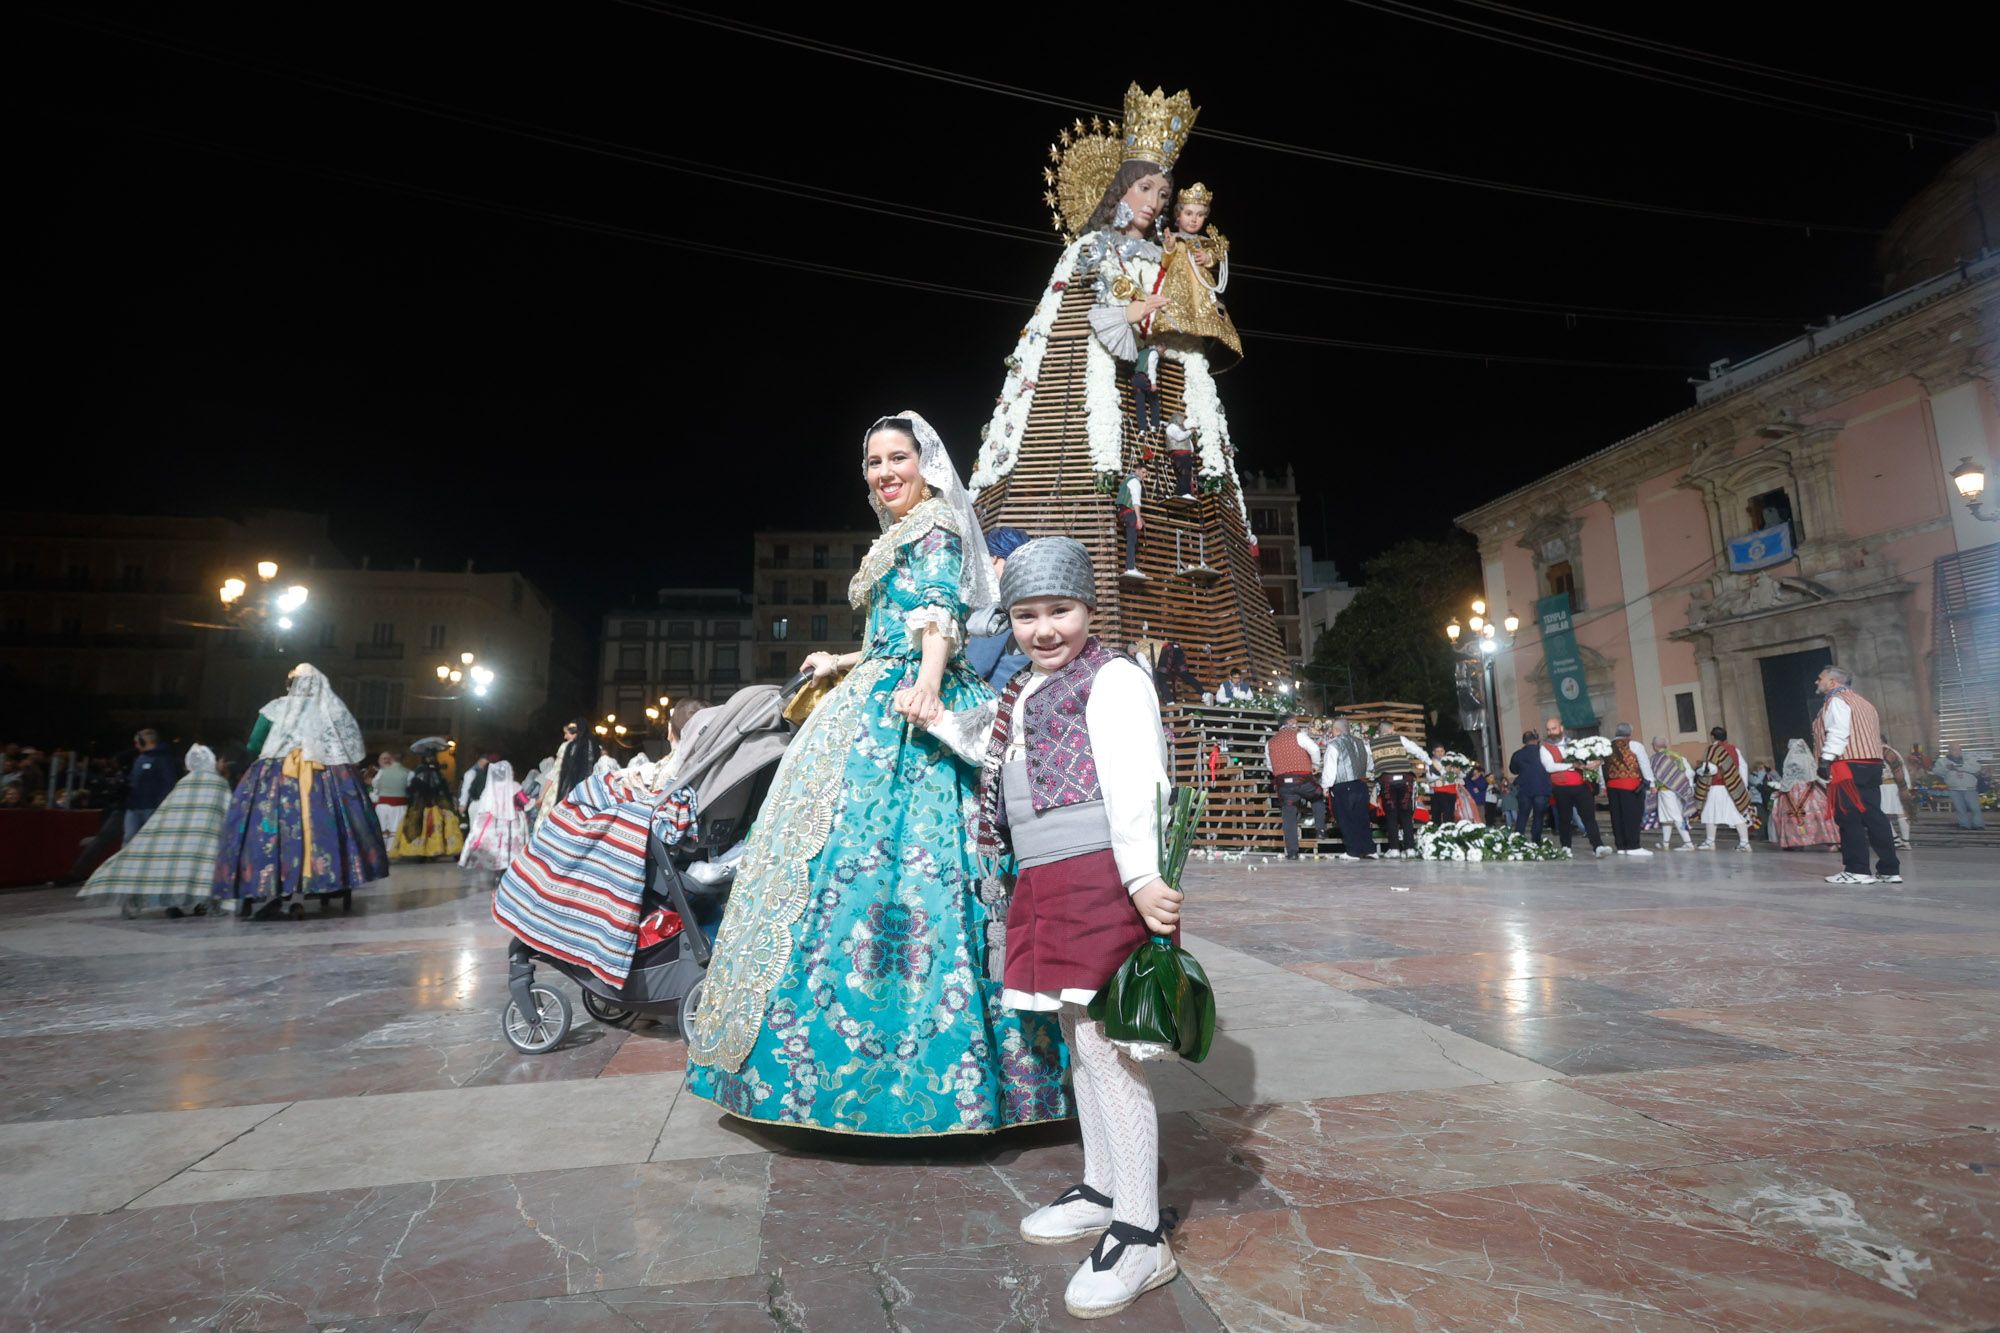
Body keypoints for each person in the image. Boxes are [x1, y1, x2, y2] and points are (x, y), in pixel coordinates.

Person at [684, 411, 1067, 1135]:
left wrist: (926, 685)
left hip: (909, 706)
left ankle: (927, 1078)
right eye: (874, 462)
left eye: (898, 457)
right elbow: (897, 630)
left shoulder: (936, 525)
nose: (886, 472)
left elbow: (937, 617)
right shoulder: (900, 531)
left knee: (915, 868)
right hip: (876, 689)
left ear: (926, 463)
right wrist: (842, 659)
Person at [924, 537, 1180, 1317]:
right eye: (1026, 615)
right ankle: (1103, 1188)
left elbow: (1139, 778)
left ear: (1089, 609)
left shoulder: (1113, 677)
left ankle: (1140, 1232)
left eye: (1060, 611)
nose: (1043, 629)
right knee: (1078, 1037)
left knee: (1109, 1048)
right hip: (1045, 877)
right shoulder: (1025, 690)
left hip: (1101, 874)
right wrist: (936, 716)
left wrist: (1142, 876)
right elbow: (993, 747)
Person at [213, 664, 389, 919]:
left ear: (290, 685)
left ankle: (268, 889)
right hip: (324, 775)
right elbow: (347, 744)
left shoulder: (275, 708)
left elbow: (254, 743)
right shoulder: (330, 709)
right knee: (319, 832)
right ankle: (302, 895)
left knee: (267, 830)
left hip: (276, 774)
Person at [77, 744, 230, 917]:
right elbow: (227, 810)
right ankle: (204, 904)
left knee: (170, 868)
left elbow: (167, 809)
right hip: (204, 838)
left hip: (175, 838)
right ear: (211, 761)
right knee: (202, 869)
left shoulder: (184, 783)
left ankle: (165, 903)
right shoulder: (218, 783)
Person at [1814, 666, 1902, 885]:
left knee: (1848, 817)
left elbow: (1838, 731)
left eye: (1820, 678)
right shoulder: (1865, 703)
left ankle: (1857, 869)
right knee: (1874, 816)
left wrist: (1826, 759)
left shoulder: (1836, 701)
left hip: (1847, 765)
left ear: (1833, 682)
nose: (1817, 682)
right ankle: (1889, 869)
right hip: (1871, 764)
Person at [964, 526, 1033, 687]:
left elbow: (977, 666)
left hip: (997, 693)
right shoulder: (1029, 596)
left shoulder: (1001, 600)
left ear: (993, 558)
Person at [1539, 717, 1609, 857]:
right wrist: (1572, 765)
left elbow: (1589, 760)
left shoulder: (1575, 744)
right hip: (1560, 788)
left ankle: (1598, 846)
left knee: (1589, 817)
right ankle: (1566, 846)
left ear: (1561, 728)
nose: (1551, 732)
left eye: (1554, 728)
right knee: (1565, 818)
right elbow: (1549, 767)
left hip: (1581, 786)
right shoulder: (1544, 748)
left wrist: (1596, 763)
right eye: (1548, 729)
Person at [1265, 713, 1321, 860]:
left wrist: (1280, 772)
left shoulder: (1270, 742)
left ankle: (1292, 852)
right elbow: (1315, 749)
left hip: (1283, 783)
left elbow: (1270, 765)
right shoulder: (1299, 735)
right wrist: (1315, 765)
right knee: (1318, 796)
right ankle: (1320, 829)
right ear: (1289, 723)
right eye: (1295, 722)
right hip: (1302, 779)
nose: (1297, 725)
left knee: (1288, 815)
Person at [392, 750, 464, 861]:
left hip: (434, 804)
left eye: (432, 757)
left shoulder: (434, 772)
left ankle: (431, 851)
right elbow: (413, 789)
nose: (431, 759)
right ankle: (423, 852)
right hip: (423, 804)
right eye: (429, 757)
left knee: (433, 826)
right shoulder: (422, 772)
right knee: (421, 825)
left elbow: (440, 788)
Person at [1370, 721, 1427, 858]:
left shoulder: (1372, 744)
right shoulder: (1399, 739)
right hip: (1405, 780)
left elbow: (1370, 765)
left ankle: (1394, 848)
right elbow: (1417, 751)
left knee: (1391, 814)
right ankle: (1410, 848)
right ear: (1391, 729)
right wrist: (1429, 762)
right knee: (1406, 814)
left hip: (1387, 781)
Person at [1320, 718, 1375, 859]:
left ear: (1336, 730)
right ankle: (1369, 849)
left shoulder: (1334, 745)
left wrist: (1325, 786)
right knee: (1362, 818)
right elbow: (1370, 764)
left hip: (1343, 786)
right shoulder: (1361, 743)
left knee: (1346, 819)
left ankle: (1353, 851)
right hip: (1361, 785)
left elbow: (1330, 767)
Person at [1694, 726, 1755, 851]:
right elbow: (1743, 766)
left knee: (1710, 814)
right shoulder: (1734, 749)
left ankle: (1710, 842)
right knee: (1737, 814)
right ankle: (1744, 843)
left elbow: (1711, 769)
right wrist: (1742, 786)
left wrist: (1699, 771)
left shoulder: (1712, 749)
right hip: (1732, 788)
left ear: (1713, 737)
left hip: (1715, 787)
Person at [459, 759, 524, 874]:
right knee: (504, 841)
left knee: (487, 838)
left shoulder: (487, 785)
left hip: (486, 814)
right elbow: (523, 801)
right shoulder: (512, 786)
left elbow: (472, 793)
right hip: (506, 818)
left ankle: (489, 861)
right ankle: (503, 863)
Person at [1770, 739, 1836, 850]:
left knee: (1791, 817)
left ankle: (1795, 842)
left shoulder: (1790, 759)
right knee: (1818, 813)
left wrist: (1781, 789)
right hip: (1809, 787)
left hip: (1792, 788)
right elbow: (1813, 774)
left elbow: (1788, 776)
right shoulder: (1807, 758)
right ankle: (1830, 840)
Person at [1601, 723, 1655, 857]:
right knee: (1632, 816)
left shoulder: (1607, 746)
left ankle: (1621, 846)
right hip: (1631, 786)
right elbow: (1644, 765)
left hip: (1612, 786)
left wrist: (1603, 785)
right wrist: (1652, 783)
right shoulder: (1635, 745)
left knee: (1617, 816)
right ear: (1629, 733)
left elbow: (1602, 767)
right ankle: (1633, 846)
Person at [122, 728, 176, 847]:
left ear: (146, 741)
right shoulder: (140, 759)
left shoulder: (163, 759)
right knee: (128, 838)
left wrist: (159, 804)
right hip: (134, 806)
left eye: (137, 742)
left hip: (151, 807)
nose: (136, 746)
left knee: (150, 841)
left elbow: (168, 783)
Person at [1647, 737, 1698, 851]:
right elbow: (1686, 771)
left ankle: (1688, 843)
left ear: (1654, 746)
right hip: (1679, 790)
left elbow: (1652, 775)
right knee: (1667, 818)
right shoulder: (1676, 755)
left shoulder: (1655, 758)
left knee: (1676, 817)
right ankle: (1665, 843)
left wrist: (1653, 786)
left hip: (1666, 791)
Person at [1932, 741, 1989, 830]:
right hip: (1954, 789)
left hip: (1969, 788)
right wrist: (1946, 768)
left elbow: (1977, 768)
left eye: (1959, 749)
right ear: (1949, 750)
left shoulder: (1969, 759)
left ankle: (1978, 824)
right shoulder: (1942, 761)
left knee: (1975, 808)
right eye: (1954, 749)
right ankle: (1964, 825)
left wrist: (1960, 767)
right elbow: (1937, 771)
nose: (1957, 751)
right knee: (1960, 809)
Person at [1507, 728, 1551, 841]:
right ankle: (1536, 840)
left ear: (1524, 741)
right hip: (1541, 789)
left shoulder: (1517, 754)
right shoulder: (1544, 752)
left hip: (1525, 789)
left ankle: (1518, 839)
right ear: (1535, 740)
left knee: (1522, 815)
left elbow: (1513, 770)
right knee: (1538, 816)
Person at [1880, 739, 1913, 847]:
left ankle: (1902, 840)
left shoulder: (1888, 752)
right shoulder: (1890, 751)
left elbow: (1900, 770)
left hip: (1891, 787)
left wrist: (1906, 787)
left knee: (1891, 813)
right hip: (1886, 787)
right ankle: (1900, 840)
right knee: (1888, 813)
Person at [370, 751, 410, 842]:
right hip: (382, 806)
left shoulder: (404, 772)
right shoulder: (379, 773)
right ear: (379, 761)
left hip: (399, 806)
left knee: (396, 832)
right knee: (383, 831)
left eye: (388, 758)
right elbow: (375, 786)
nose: (386, 760)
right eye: (384, 759)